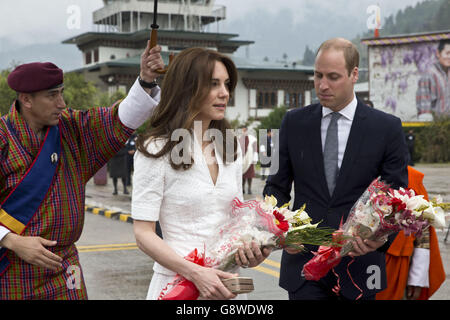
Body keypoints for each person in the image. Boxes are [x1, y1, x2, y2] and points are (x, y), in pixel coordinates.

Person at [0, 41, 164, 299]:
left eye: (61, 93)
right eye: (52, 95)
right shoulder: (2, 139)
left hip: (65, 266)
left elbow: (118, 119)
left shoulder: (72, 128)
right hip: (11, 268)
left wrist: (145, 79)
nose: (62, 103)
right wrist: (10, 240)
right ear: (26, 99)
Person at [263, 38, 409, 300]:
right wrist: (282, 231)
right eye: (318, 75)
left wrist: (381, 238)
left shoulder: (387, 127)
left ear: (354, 74)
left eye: (333, 77)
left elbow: (397, 196)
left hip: (361, 266)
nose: (322, 85)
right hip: (304, 267)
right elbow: (275, 187)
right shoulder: (292, 122)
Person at [131, 47, 271, 300]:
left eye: (227, 84)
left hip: (229, 289)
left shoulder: (230, 148)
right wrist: (196, 273)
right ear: (187, 88)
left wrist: (253, 250)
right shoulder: (156, 149)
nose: (224, 93)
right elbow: (143, 234)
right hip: (177, 287)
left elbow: (236, 221)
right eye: (213, 84)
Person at [376, 166, 445, 300]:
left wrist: (416, 279)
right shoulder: (354, 170)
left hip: (397, 264)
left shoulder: (410, 177)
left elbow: (423, 233)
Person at [416, 39, 450, 120]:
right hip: (436, 127)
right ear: (438, 53)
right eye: (447, 53)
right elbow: (424, 108)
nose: (449, 57)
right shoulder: (429, 75)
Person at [239, 126, 257, 194]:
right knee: (243, 175)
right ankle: (242, 188)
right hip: (242, 159)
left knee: (250, 176)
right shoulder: (239, 138)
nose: (243, 132)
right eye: (242, 130)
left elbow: (255, 148)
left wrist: (255, 157)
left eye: (244, 130)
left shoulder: (252, 138)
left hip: (250, 159)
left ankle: (249, 188)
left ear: (247, 130)